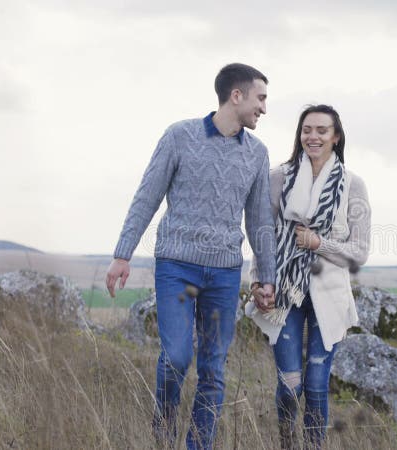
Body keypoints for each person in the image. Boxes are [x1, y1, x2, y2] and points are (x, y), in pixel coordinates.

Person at [105, 63, 277, 450]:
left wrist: (266, 277)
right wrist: (123, 253)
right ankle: (162, 434)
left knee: (214, 371)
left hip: (225, 274)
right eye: (260, 98)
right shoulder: (179, 136)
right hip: (177, 268)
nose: (264, 108)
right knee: (178, 357)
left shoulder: (257, 154)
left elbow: (261, 220)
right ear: (237, 96)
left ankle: (197, 446)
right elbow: (147, 195)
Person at [246, 104, 372, 449]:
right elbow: (263, 236)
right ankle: (287, 443)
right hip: (283, 291)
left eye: (321, 130)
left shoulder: (352, 185)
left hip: (329, 294)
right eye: (307, 130)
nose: (312, 137)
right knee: (290, 384)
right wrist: (258, 282)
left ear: (336, 137)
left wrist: (319, 243)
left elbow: (360, 251)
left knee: (316, 384)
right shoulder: (278, 178)